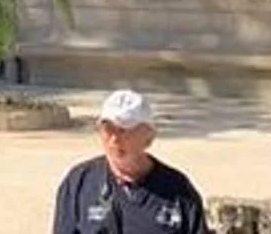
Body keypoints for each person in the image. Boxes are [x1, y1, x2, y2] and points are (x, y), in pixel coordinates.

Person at [51, 90, 208, 234]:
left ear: (148, 137)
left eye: (124, 130)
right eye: (108, 129)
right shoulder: (79, 182)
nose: (114, 139)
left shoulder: (178, 191)